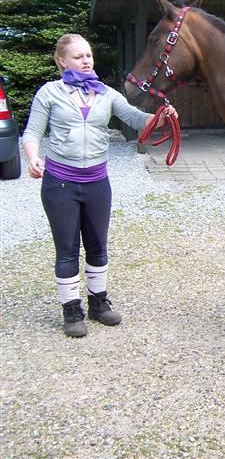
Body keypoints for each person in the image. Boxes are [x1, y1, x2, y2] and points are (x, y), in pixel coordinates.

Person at [22, 33, 178, 338]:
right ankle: (71, 310)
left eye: (88, 55)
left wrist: (161, 118)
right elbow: (31, 133)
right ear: (61, 61)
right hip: (60, 183)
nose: (86, 60)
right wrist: (32, 158)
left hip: (96, 182)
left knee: (97, 245)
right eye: (78, 56)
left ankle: (98, 302)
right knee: (67, 249)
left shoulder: (106, 93)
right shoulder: (49, 93)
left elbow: (134, 118)